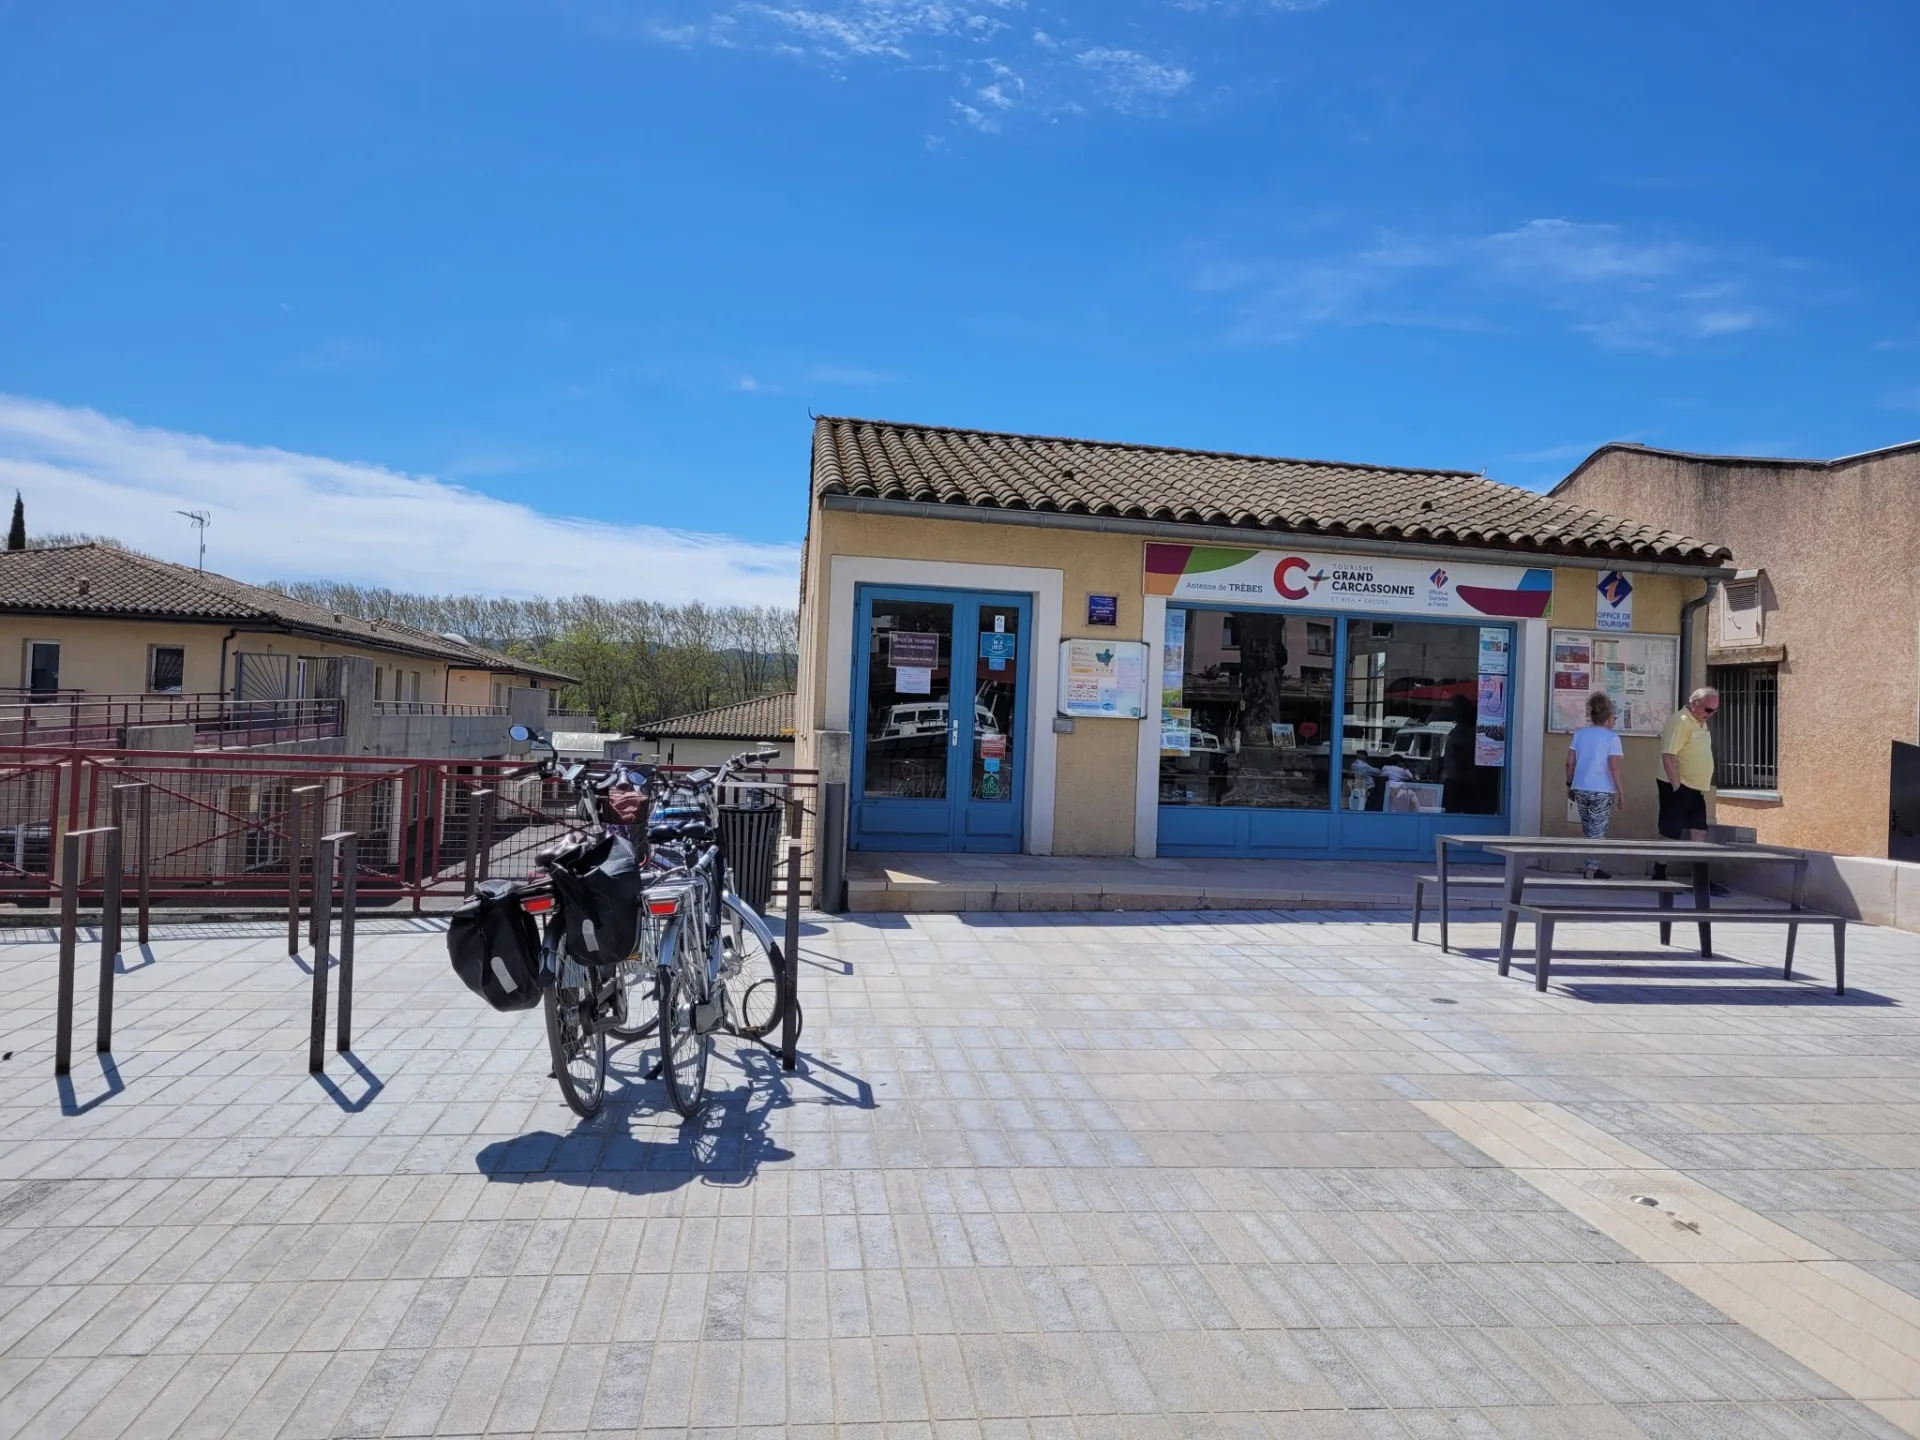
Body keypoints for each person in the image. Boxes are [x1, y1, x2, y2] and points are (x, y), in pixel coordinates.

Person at [1656, 685, 1721, 890]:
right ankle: (1659, 875)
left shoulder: (1699, 722)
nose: (1710, 715)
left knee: (1699, 831)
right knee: (1670, 832)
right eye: (1708, 710)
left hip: (1695, 788)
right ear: (1695, 704)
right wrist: (1677, 787)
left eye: (1714, 711)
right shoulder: (1681, 721)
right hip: (1678, 784)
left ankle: (1701, 880)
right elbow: (1668, 755)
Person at [1566, 691, 1624, 877]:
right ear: (1608, 719)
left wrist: (1569, 784)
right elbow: (1614, 767)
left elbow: (1569, 762)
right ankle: (1591, 870)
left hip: (1580, 786)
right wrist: (1621, 793)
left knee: (1589, 829)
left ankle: (1591, 866)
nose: (1614, 721)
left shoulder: (1580, 734)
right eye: (1614, 717)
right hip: (1602, 789)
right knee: (1598, 832)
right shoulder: (1612, 738)